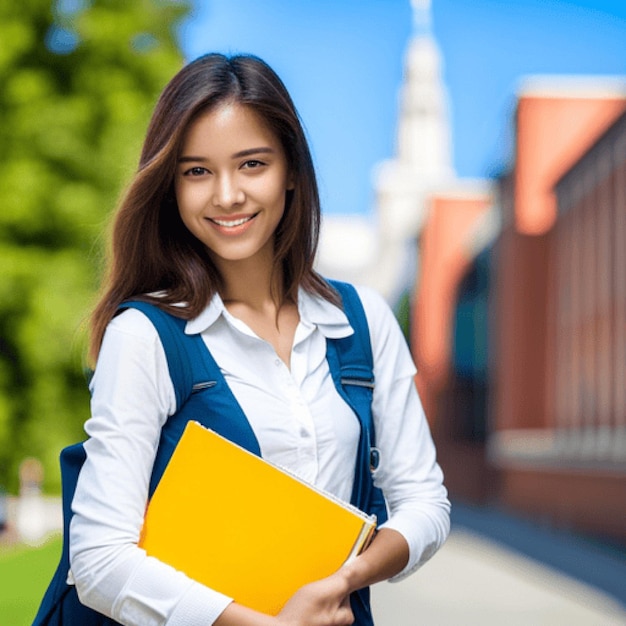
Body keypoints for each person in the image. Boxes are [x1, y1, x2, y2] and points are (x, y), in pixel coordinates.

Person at [69, 53, 450, 626]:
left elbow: (426, 503)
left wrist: (346, 578)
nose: (227, 195)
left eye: (251, 164)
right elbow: (98, 560)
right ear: (170, 186)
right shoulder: (147, 337)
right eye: (196, 171)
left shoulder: (363, 322)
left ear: (291, 170)